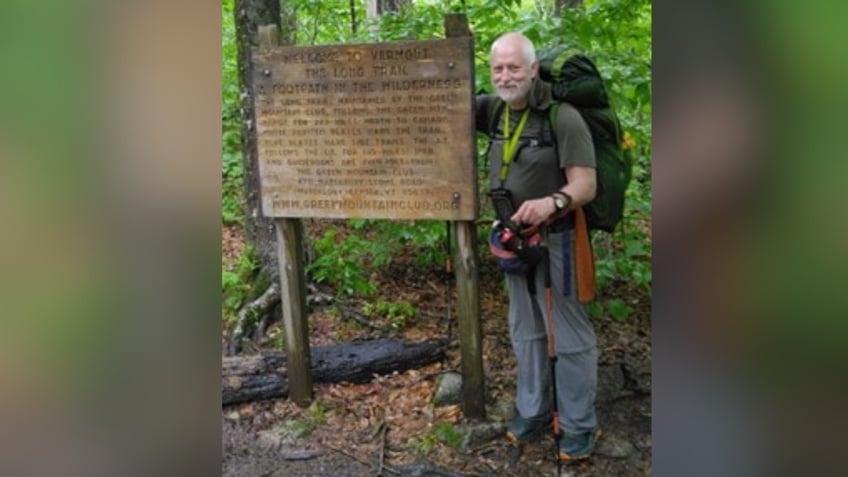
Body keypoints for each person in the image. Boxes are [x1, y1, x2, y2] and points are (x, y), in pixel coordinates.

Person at [476, 32, 600, 461]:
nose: (505, 75)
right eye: (498, 68)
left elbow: (585, 183)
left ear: (532, 69)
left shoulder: (561, 117)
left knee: (569, 334)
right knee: (524, 329)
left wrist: (552, 202)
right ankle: (532, 411)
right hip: (514, 240)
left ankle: (579, 424)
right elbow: (434, 100)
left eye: (513, 67)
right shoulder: (492, 111)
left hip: (559, 237)